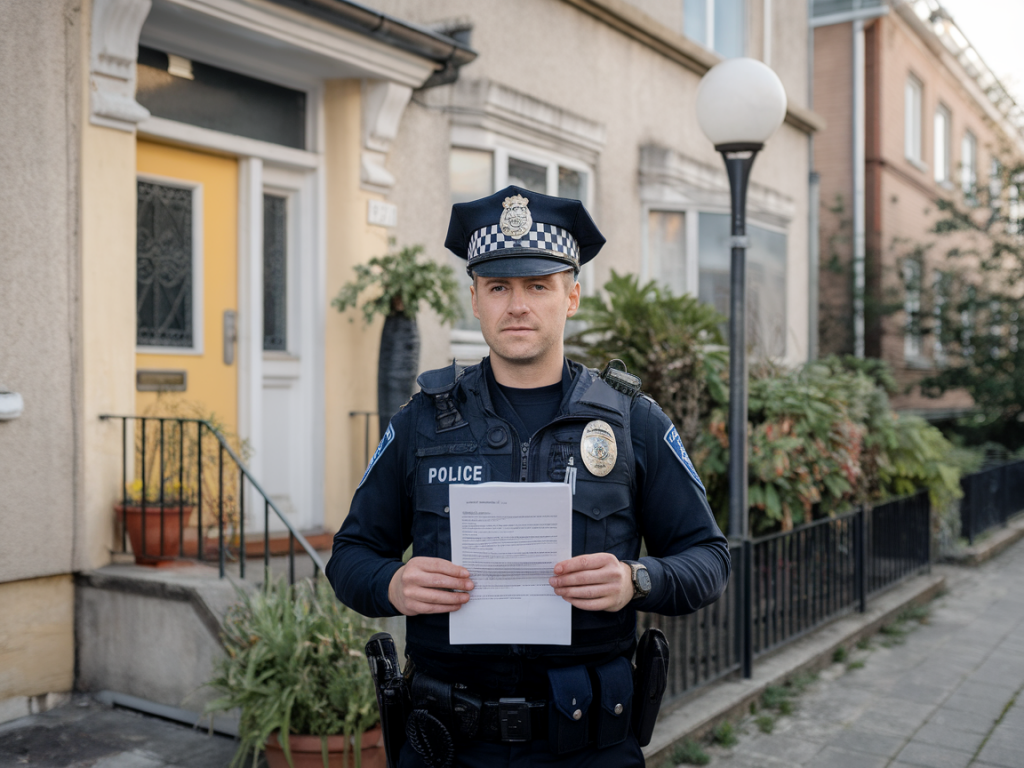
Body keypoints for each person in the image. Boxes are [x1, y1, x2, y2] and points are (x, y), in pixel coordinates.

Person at [327, 185, 730, 767]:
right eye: (498, 287)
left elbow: (709, 558)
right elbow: (349, 557)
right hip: (447, 745)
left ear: (571, 297)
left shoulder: (632, 423)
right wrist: (393, 584)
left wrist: (636, 579)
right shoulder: (422, 422)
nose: (517, 305)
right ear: (474, 299)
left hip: (589, 743)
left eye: (538, 286)